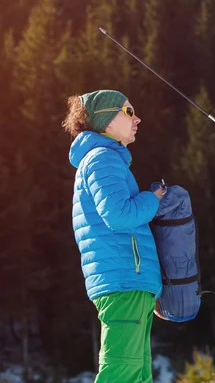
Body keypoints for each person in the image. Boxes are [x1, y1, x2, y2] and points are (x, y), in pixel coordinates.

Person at [62, 89, 166, 383]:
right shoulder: (101, 159)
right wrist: (153, 198)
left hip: (129, 281)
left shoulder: (106, 159)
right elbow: (119, 215)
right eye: (129, 111)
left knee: (137, 374)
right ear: (107, 121)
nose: (138, 119)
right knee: (122, 373)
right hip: (123, 280)